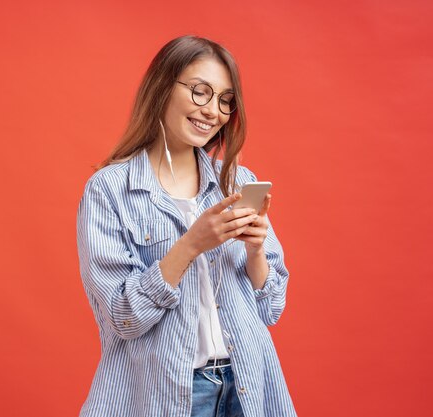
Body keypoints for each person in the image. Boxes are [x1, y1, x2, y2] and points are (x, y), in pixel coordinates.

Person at [77, 35, 296, 417]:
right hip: (167, 392)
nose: (213, 111)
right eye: (200, 92)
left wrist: (256, 250)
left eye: (225, 100)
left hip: (247, 385)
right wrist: (190, 245)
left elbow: (271, 309)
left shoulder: (236, 181)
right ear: (163, 87)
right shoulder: (109, 190)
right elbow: (122, 317)